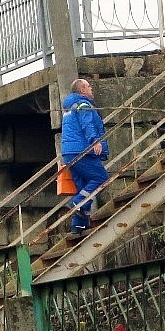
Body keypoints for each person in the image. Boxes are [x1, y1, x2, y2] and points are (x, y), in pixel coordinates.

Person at [60, 77, 109, 235]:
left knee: (82, 187)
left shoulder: (69, 107)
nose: (91, 89)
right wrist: (95, 141)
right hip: (82, 151)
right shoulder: (83, 104)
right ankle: (77, 203)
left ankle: (78, 225)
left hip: (69, 152)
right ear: (82, 90)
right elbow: (86, 124)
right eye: (88, 86)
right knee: (101, 178)